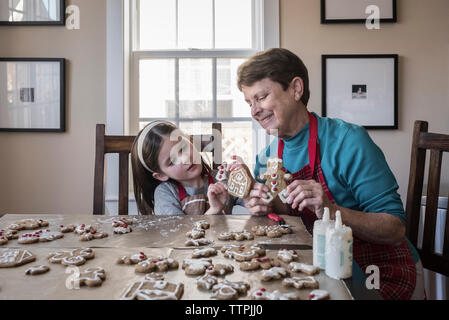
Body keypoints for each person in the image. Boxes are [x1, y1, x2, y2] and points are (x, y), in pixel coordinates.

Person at [236, 48, 425, 300]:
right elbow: (283, 221)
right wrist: (263, 205)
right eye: (249, 103)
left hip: (378, 271)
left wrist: (331, 210)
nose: (254, 111)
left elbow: (394, 229)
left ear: (296, 89)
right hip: (318, 270)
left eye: (261, 97)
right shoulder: (266, 158)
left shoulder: (348, 141)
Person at [131, 120, 242, 215]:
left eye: (183, 148)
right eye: (172, 161)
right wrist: (213, 211)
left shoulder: (223, 178)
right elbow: (178, 234)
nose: (185, 158)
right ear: (161, 175)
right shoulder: (165, 193)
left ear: (191, 141)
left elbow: (253, 201)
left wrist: (244, 178)